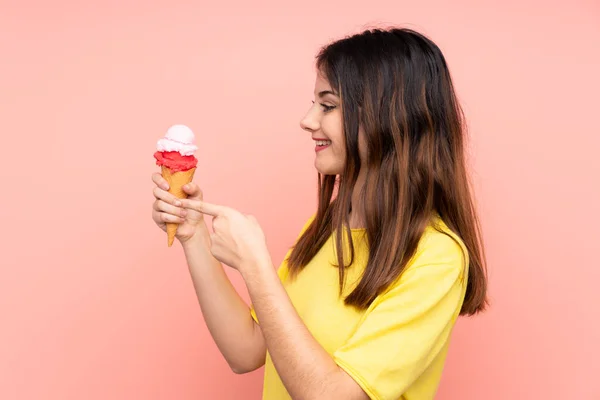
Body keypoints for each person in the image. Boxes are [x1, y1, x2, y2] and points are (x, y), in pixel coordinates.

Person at [151, 27, 488, 400]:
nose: (308, 120)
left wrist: (256, 268)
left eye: (327, 105)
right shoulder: (328, 227)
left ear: (389, 118)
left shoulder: (436, 258)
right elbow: (246, 351)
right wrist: (193, 233)